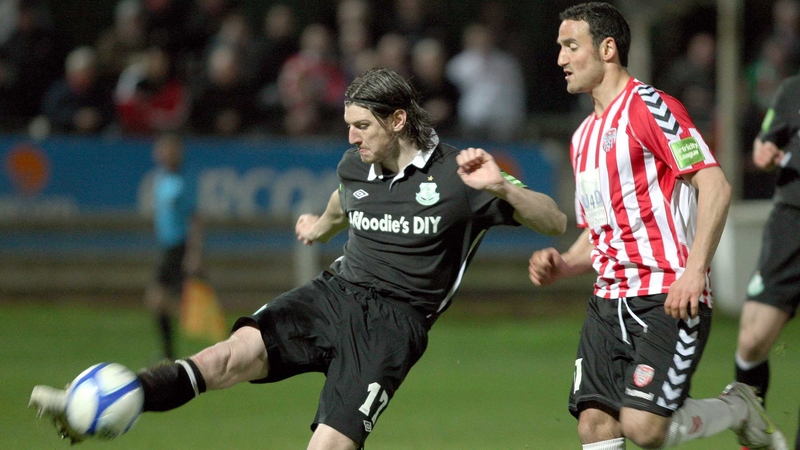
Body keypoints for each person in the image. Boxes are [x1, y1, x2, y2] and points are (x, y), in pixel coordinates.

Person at [29, 67, 567, 449]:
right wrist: (321, 225)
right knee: (224, 357)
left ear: (398, 120)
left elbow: (554, 221)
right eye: (348, 124)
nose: (351, 137)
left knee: (329, 446)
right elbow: (344, 200)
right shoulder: (355, 166)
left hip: (391, 326)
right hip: (332, 294)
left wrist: (504, 188)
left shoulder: (461, 174)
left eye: (362, 126)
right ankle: (105, 402)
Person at [528, 3, 787, 449]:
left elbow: (715, 186)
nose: (561, 60)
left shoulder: (649, 107)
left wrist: (694, 271)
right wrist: (565, 263)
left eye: (571, 46)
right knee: (594, 424)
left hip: (666, 296)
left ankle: (739, 406)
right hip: (607, 303)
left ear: (607, 48)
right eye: (560, 48)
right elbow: (599, 230)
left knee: (644, 428)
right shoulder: (582, 137)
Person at [735, 74, 800, 450]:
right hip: (791, 222)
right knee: (753, 338)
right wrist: (763, 151)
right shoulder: (792, 90)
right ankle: (752, 433)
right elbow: (764, 143)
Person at [145, 133, 202, 361]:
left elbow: (194, 219)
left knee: (160, 299)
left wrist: (194, 253)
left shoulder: (183, 181)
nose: (162, 154)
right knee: (161, 301)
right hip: (166, 247)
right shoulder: (160, 178)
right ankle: (170, 353)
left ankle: (173, 353)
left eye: (167, 149)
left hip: (179, 247)